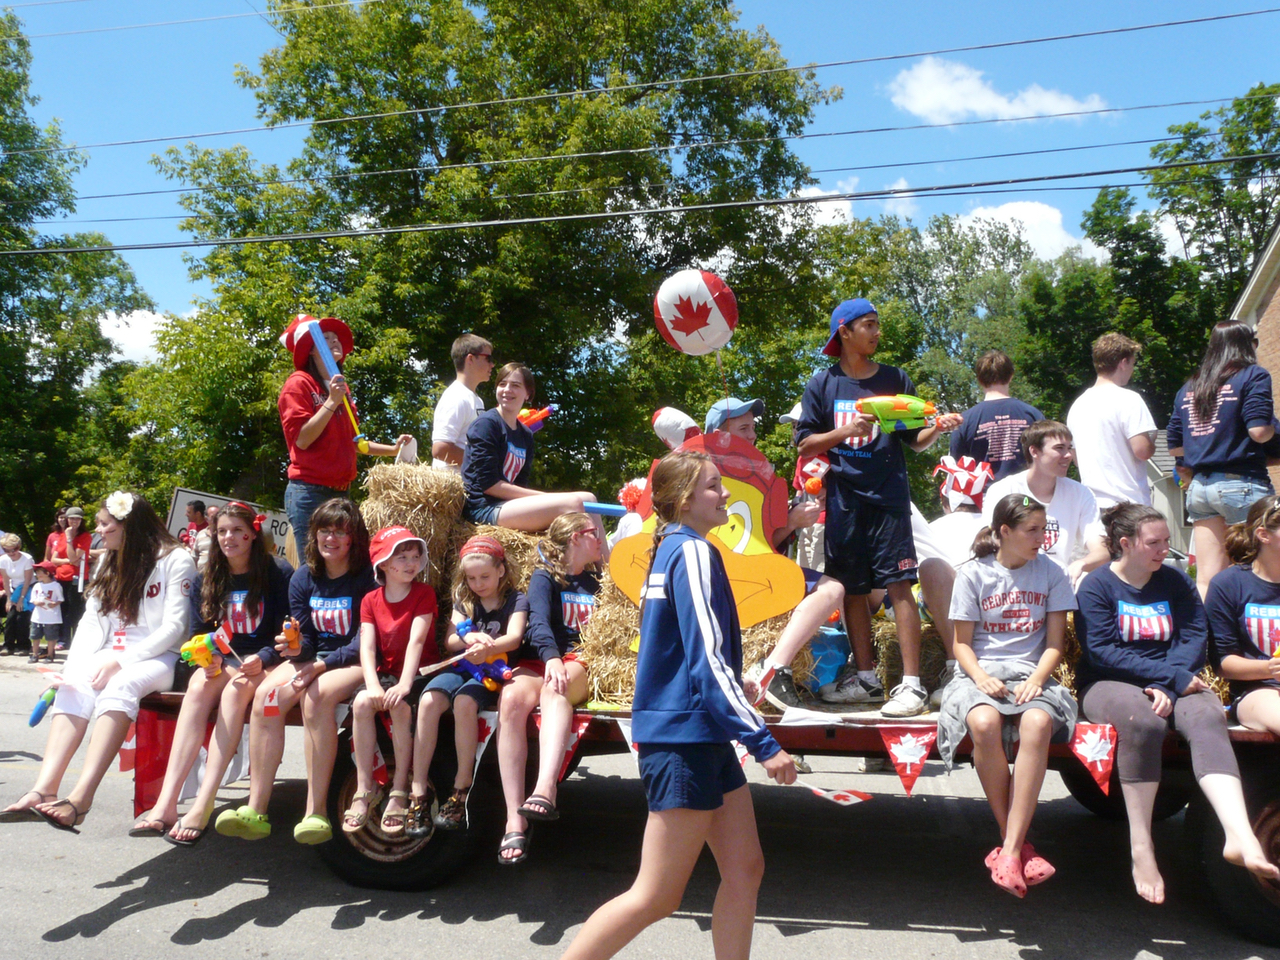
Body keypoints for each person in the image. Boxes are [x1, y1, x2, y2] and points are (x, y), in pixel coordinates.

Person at [558, 449, 797, 960]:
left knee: (745, 868)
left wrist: (733, 687)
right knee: (656, 895)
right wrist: (762, 739)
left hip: (700, 733)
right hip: (685, 740)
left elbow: (694, 656)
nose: (726, 494)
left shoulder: (672, 547)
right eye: (714, 486)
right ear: (686, 498)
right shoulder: (689, 551)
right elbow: (706, 658)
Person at [1075, 503, 1279, 904]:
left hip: (1172, 682)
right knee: (1143, 722)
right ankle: (1142, 846)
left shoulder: (1174, 582)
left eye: (1167, 541)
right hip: (1108, 683)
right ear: (1125, 544)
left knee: (1206, 713)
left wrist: (1171, 685)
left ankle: (1239, 836)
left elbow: (1192, 638)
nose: (1163, 550)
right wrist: (1170, 680)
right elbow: (1102, 651)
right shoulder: (1097, 586)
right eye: (1154, 542)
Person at [795, 298, 962, 717]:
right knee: (851, 588)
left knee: (899, 582)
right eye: (868, 325)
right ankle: (867, 679)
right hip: (843, 500)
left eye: (877, 325)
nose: (876, 332)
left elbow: (915, 439)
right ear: (844, 331)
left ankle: (912, 685)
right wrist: (845, 430)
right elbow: (805, 443)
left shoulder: (894, 378)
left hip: (888, 497)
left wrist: (935, 429)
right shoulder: (823, 384)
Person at [0, 491, 197, 831]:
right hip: (112, 652)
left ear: (129, 525)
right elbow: (92, 623)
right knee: (73, 686)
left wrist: (121, 662)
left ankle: (81, 798)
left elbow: (174, 628)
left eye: (106, 525)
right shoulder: (108, 560)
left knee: (120, 686)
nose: (100, 532)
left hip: (160, 655)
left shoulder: (175, 559)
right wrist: (71, 668)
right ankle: (43, 790)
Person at [936, 494, 1077, 897]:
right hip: (981, 674)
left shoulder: (1051, 573)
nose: (1041, 538)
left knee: (1037, 722)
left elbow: (1055, 644)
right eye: (1032, 530)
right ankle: (1015, 843)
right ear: (1004, 532)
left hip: (1032, 674)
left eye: (1043, 529)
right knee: (983, 722)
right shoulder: (973, 575)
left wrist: (1037, 679)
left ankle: (1010, 849)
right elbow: (961, 645)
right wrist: (979, 677)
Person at [130, 502, 293, 846]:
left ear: (252, 533)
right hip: (227, 657)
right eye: (221, 531)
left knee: (234, 694)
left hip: (266, 661)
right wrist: (210, 658)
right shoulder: (208, 575)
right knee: (198, 688)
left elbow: (286, 630)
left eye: (236, 530)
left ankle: (203, 805)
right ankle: (166, 803)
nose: (229, 538)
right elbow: (200, 630)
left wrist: (262, 658)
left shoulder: (277, 571)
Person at [215, 498, 377, 844]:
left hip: (354, 659)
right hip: (314, 657)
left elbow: (366, 636)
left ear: (353, 538)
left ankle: (315, 812)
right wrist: (296, 647)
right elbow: (305, 638)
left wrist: (318, 664)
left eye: (339, 531)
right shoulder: (304, 576)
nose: (330, 538)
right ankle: (256, 809)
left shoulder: (367, 576)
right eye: (323, 530)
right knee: (266, 698)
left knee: (315, 700)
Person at [703, 397, 846, 710]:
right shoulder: (702, 480)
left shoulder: (761, 477)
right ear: (720, 435)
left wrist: (791, 521)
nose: (753, 435)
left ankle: (774, 667)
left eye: (753, 427)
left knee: (833, 588)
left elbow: (763, 544)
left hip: (756, 574)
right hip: (717, 577)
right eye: (744, 428)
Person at [497, 512, 601, 864]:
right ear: (574, 537)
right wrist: (551, 657)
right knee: (510, 698)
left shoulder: (599, 581)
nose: (600, 537)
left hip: (580, 661)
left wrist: (560, 662)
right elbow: (536, 623)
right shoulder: (546, 577)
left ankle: (545, 789)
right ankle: (514, 817)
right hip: (546, 657)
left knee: (555, 690)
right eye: (593, 532)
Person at [410, 535, 527, 839]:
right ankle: (418, 789)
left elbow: (513, 638)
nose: (478, 583)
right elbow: (450, 640)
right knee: (429, 700)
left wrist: (488, 647)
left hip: (492, 673)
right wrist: (467, 639)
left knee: (464, 704)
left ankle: (462, 785)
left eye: (484, 576)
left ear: (501, 570)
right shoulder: (465, 600)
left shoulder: (516, 600)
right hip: (463, 667)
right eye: (471, 578)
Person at [277, 314, 414, 558]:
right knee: (315, 568)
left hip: (341, 493)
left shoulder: (341, 388)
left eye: (336, 338)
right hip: (310, 492)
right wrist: (331, 402)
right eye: (325, 338)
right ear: (310, 350)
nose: (334, 341)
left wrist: (392, 450)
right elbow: (302, 439)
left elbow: (356, 443)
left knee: (347, 565)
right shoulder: (299, 383)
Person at [1168, 320, 1277, 597]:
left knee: (1207, 578)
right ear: (1247, 345)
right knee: (1261, 572)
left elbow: (1175, 447)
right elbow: (1259, 431)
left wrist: (1209, 445)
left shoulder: (1192, 385)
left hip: (1200, 489)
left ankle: (1210, 640)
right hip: (1242, 486)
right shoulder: (1253, 375)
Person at [345, 527, 436, 837]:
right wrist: (372, 685)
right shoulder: (370, 599)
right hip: (386, 671)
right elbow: (367, 647)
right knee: (361, 703)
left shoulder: (424, 593)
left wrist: (405, 685)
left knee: (400, 707)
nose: (411, 563)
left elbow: (417, 641)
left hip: (419, 670)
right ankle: (364, 787)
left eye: (415, 557)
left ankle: (399, 789)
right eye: (401, 558)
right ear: (383, 564)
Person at [461, 362, 604, 534]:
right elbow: (490, 485)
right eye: (502, 384)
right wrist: (549, 498)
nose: (507, 390)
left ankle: (604, 562)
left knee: (589, 499)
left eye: (515, 385)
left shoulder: (526, 435)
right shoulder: (486, 424)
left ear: (528, 394)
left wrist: (547, 499)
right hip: (483, 509)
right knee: (572, 503)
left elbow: (520, 484)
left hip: (507, 506)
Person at [982, 421, 1109, 588]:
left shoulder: (1080, 493)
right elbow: (990, 543)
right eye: (1059, 448)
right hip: (1012, 583)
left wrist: (1081, 564)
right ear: (1034, 451)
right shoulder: (1004, 490)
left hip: (1059, 583)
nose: (1069, 455)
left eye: (1069, 448)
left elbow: (1101, 551)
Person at [1205, 495, 1280, 735]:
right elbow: (1223, 664)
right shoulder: (1229, 584)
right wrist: (1272, 668)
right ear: (1264, 535)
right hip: (1258, 691)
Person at [1066, 333, 1157, 508]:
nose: (1132, 369)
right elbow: (1143, 451)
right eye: (1132, 363)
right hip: (1129, 504)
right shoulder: (1129, 399)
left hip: (1091, 505)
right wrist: (1151, 440)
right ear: (1123, 363)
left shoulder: (1077, 406)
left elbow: (1077, 460)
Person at [950, 350, 1043, 481]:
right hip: (1027, 496)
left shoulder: (964, 420)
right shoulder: (1033, 414)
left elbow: (956, 467)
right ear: (1011, 376)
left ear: (979, 380)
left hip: (983, 497)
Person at [431, 333, 493, 472]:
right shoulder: (456, 396)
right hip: (453, 490)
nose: (492, 364)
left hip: (467, 488)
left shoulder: (476, 400)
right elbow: (440, 449)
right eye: (488, 358)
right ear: (470, 359)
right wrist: (483, 464)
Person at [49, 505, 92, 638]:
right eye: (71, 519)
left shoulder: (85, 536)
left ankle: (75, 639)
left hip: (77, 579)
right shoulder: (62, 535)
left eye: (77, 519)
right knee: (62, 609)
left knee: (75, 611)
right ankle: (63, 639)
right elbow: (54, 559)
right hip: (61, 578)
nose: (74, 522)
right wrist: (68, 560)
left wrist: (69, 540)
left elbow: (74, 557)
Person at [1, 533, 35, 657]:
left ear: (18, 547)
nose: (10, 553)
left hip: (28, 588)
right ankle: (8, 646)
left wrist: (21, 599)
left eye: (13, 550)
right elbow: (5, 580)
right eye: (6, 550)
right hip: (14, 589)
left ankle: (24, 646)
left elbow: (27, 580)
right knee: (11, 617)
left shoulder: (27, 559)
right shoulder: (3, 560)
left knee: (22, 618)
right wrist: (9, 599)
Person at [26, 561, 62, 663]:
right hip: (38, 616)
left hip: (51, 616)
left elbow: (60, 598)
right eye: (37, 573)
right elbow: (33, 598)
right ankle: (34, 654)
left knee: (51, 637)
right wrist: (36, 602)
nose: (37, 575)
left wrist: (54, 604)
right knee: (35, 636)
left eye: (39, 573)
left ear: (47, 573)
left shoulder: (56, 586)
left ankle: (50, 655)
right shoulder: (37, 586)